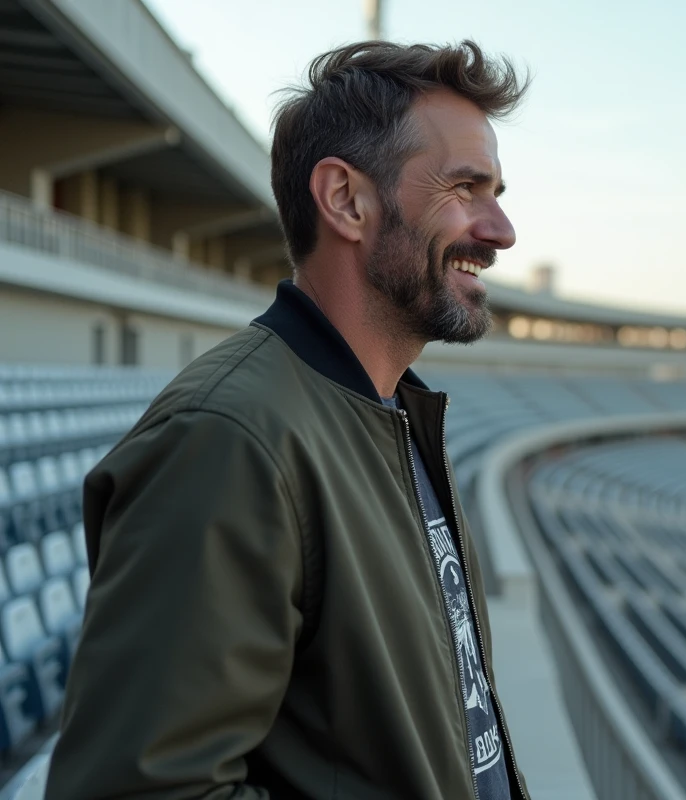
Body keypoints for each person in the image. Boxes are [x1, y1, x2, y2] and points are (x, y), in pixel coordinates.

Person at [46, 40, 530, 799]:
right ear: (345, 200)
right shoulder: (227, 439)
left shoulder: (395, 413)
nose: (500, 230)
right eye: (466, 187)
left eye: (496, 191)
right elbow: (143, 790)